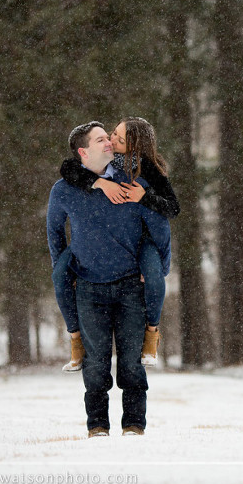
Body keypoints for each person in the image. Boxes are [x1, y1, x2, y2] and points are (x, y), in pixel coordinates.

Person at [47, 121, 171, 437]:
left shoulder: (133, 182)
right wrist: (68, 267)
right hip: (88, 287)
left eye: (110, 138)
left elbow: (160, 227)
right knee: (96, 366)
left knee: (131, 365)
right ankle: (97, 427)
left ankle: (134, 425)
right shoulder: (64, 189)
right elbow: (54, 232)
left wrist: (154, 267)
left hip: (131, 285)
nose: (109, 144)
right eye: (101, 140)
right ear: (83, 152)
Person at [55, 117, 179, 371]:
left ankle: (152, 334)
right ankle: (75, 339)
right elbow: (69, 167)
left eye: (119, 140)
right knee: (59, 275)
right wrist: (99, 182)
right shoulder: (109, 164)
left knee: (155, 277)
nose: (111, 141)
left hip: (141, 241)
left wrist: (145, 197)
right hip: (97, 253)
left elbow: (171, 210)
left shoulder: (146, 170)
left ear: (134, 148)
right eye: (112, 134)